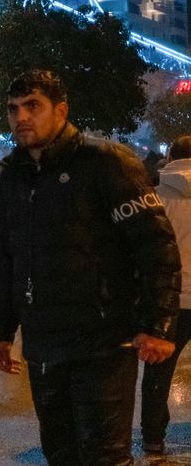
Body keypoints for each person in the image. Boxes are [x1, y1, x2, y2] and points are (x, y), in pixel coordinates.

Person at [0, 70, 181, 464]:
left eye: (32, 106)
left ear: (61, 110)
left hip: (103, 344)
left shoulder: (106, 162)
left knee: (104, 458)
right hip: (43, 345)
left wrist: (156, 324)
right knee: (61, 456)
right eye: (13, 109)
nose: (21, 117)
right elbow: (11, 257)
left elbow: (155, 246)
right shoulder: (14, 176)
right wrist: (2, 330)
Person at [140, 134, 191, 455]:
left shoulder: (153, 199)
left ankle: (153, 437)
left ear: (169, 157)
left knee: (158, 372)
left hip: (170, 300)